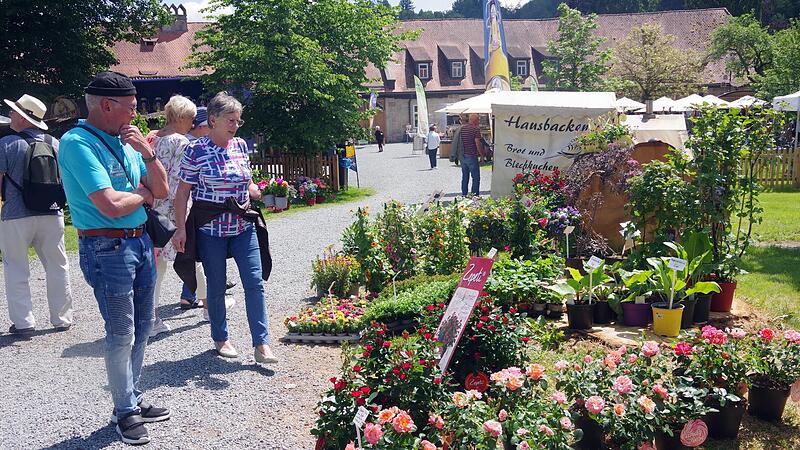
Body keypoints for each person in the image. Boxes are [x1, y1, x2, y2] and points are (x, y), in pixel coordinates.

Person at [58, 71, 170, 445]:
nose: (136, 115)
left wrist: (148, 153)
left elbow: (163, 188)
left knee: (143, 327)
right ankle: (125, 411)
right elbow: (110, 205)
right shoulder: (76, 143)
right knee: (121, 332)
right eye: (132, 107)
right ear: (107, 106)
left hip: (138, 244)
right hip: (107, 249)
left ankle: (131, 398)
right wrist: (143, 196)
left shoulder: (127, 141)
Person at [172, 92, 278, 365]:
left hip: (243, 226)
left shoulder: (240, 146)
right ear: (214, 119)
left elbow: (248, 184)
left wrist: (262, 191)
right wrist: (181, 229)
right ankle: (221, 338)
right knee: (216, 286)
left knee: (254, 283)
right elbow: (183, 193)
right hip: (211, 229)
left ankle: (262, 344)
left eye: (238, 121)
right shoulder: (195, 150)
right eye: (230, 120)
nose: (235, 125)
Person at [0, 94, 73, 334]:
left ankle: (24, 322)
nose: (10, 114)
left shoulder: (7, 144)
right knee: (57, 265)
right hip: (52, 212)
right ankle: (62, 318)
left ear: (23, 118)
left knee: (16, 267)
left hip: (16, 214)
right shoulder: (55, 143)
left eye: (13, 111)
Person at [148, 95, 206, 336]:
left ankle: (151, 317)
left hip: (152, 209)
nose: (192, 124)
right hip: (176, 209)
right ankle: (210, 307)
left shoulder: (152, 139)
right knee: (194, 257)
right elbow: (181, 182)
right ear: (182, 117)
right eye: (191, 119)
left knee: (156, 267)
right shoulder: (182, 143)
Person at [459, 114, 484, 197]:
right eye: (478, 120)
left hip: (463, 155)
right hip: (472, 155)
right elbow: (477, 143)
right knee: (476, 177)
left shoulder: (462, 129)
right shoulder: (476, 129)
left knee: (465, 177)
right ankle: (474, 196)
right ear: (475, 120)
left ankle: (464, 194)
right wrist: (482, 154)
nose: (479, 121)